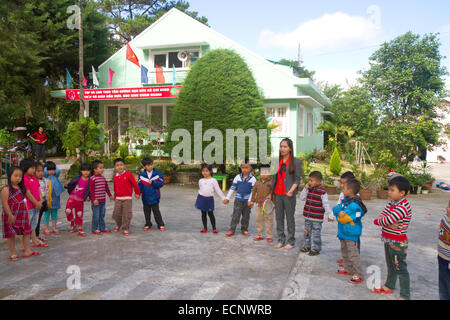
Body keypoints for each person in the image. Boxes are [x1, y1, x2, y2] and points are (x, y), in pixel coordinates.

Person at [372, 176, 412, 300]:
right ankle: (389, 286)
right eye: (389, 189)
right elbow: (382, 218)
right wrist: (383, 222)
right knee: (391, 265)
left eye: (392, 190)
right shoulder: (392, 203)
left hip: (398, 243)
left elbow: (386, 219)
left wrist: (383, 221)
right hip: (388, 240)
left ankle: (405, 295)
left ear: (402, 193)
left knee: (400, 268)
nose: (389, 192)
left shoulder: (403, 207)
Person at [2, 167, 40, 261]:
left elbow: (24, 201)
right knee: (11, 234)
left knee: (26, 232)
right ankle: (13, 253)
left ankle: (27, 250)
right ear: (9, 176)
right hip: (11, 215)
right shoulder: (6, 189)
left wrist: (26, 213)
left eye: (20, 176)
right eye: (16, 176)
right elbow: (4, 203)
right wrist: (10, 215)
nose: (18, 178)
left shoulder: (21, 188)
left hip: (22, 214)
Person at [333, 179, 366, 284]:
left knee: (353, 254)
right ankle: (348, 269)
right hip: (343, 232)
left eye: (344, 187)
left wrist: (341, 214)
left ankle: (359, 274)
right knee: (345, 252)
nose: (342, 188)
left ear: (351, 191)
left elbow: (344, 217)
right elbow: (335, 209)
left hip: (350, 233)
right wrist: (339, 212)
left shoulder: (355, 205)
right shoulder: (345, 201)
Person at [272, 138, 302, 251]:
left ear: (290, 148)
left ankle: (291, 241)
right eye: (281, 146)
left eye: (285, 147)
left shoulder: (296, 162)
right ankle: (281, 240)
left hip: (288, 194)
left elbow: (297, 179)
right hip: (277, 194)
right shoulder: (277, 161)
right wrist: (271, 194)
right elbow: (274, 178)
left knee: (290, 218)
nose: (282, 149)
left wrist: (291, 190)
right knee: (278, 218)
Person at [299, 171, 332, 256]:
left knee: (316, 234)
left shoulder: (322, 192)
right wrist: (305, 189)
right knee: (307, 233)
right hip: (308, 217)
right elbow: (302, 198)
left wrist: (330, 215)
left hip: (317, 218)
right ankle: (307, 246)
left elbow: (326, 204)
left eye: (311, 180)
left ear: (318, 181)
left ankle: (316, 248)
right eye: (309, 180)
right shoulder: (308, 189)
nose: (309, 182)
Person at [223, 159, 256, 237]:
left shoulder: (253, 179)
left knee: (246, 216)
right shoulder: (237, 177)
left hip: (247, 202)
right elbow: (232, 188)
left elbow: (253, 191)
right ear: (241, 168)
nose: (244, 169)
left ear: (250, 167)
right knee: (235, 215)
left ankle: (244, 229)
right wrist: (227, 197)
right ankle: (232, 229)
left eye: (246, 167)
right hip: (238, 200)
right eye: (243, 167)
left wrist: (250, 200)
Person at [20, 159, 46, 249]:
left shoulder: (34, 178)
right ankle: (23, 245)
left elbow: (38, 190)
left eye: (34, 168)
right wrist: (36, 202)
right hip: (29, 206)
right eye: (32, 168)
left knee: (33, 225)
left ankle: (34, 240)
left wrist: (40, 201)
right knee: (26, 226)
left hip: (36, 206)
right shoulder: (24, 179)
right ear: (25, 168)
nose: (33, 170)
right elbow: (28, 193)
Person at [195, 163, 226, 234]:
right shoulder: (200, 180)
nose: (204, 172)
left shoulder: (213, 180)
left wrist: (223, 198)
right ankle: (205, 228)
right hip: (201, 199)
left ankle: (214, 228)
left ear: (210, 171)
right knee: (203, 214)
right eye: (203, 171)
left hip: (209, 200)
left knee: (210, 214)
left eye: (206, 171)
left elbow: (218, 190)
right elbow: (201, 188)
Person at [112, 158, 140, 236]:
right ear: (115, 167)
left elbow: (134, 184)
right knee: (116, 214)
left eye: (121, 165)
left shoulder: (128, 174)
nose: (119, 167)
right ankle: (119, 224)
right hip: (118, 198)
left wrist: (137, 192)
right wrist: (115, 195)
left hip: (127, 198)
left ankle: (125, 228)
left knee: (126, 214)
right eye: (117, 165)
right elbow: (115, 187)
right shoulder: (115, 176)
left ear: (124, 166)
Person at [138, 157, 165, 232]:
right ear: (144, 167)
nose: (150, 166)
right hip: (145, 197)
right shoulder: (141, 176)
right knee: (146, 212)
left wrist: (153, 182)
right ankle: (148, 224)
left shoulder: (157, 174)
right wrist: (138, 193)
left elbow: (162, 183)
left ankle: (160, 224)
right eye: (148, 165)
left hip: (155, 197)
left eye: (151, 164)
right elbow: (139, 186)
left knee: (156, 212)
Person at [65, 163, 91, 236]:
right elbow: (71, 184)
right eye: (84, 170)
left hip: (80, 200)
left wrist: (89, 196)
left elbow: (90, 190)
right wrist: (67, 186)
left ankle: (79, 228)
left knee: (79, 214)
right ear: (81, 171)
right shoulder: (77, 178)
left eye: (88, 170)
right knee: (68, 211)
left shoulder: (90, 181)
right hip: (72, 198)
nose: (86, 172)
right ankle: (72, 221)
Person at [250, 165, 274, 242]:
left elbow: (274, 191)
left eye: (266, 172)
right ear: (260, 173)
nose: (264, 174)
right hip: (259, 205)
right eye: (262, 172)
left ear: (270, 173)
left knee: (268, 220)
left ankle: (269, 235)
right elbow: (253, 192)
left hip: (268, 205)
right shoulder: (257, 182)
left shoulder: (271, 182)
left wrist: (271, 195)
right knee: (259, 220)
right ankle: (259, 235)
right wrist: (252, 201)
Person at [89, 160, 114, 235]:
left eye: (102, 168)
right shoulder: (92, 179)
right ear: (95, 169)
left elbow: (106, 188)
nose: (102, 169)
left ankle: (102, 228)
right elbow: (91, 191)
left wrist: (110, 195)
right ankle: (94, 229)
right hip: (96, 201)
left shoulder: (103, 178)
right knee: (96, 215)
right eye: (100, 168)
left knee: (102, 215)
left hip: (103, 201)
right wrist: (93, 199)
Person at [43, 161, 65, 235]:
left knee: (54, 213)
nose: (51, 171)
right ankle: (46, 229)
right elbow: (44, 172)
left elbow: (58, 170)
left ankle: (54, 228)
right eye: (49, 170)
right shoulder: (45, 177)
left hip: (55, 198)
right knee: (46, 214)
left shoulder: (56, 176)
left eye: (53, 169)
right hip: (47, 198)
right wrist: (46, 168)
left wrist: (54, 167)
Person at [438, 200, 450, 300]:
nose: (448, 209)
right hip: (442, 258)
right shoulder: (445, 218)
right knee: (443, 285)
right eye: (449, 205)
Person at [35, 162, 49, 242]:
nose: (40, 173)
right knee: (35, 221)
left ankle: (37, 235)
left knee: (39, 220)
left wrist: (45, 202)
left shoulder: (44, 180)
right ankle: (33, 237)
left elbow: (46, 192)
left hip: (43, 202)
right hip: (36, 203)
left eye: (42, 171)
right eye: (38, 171)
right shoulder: (33, 181)